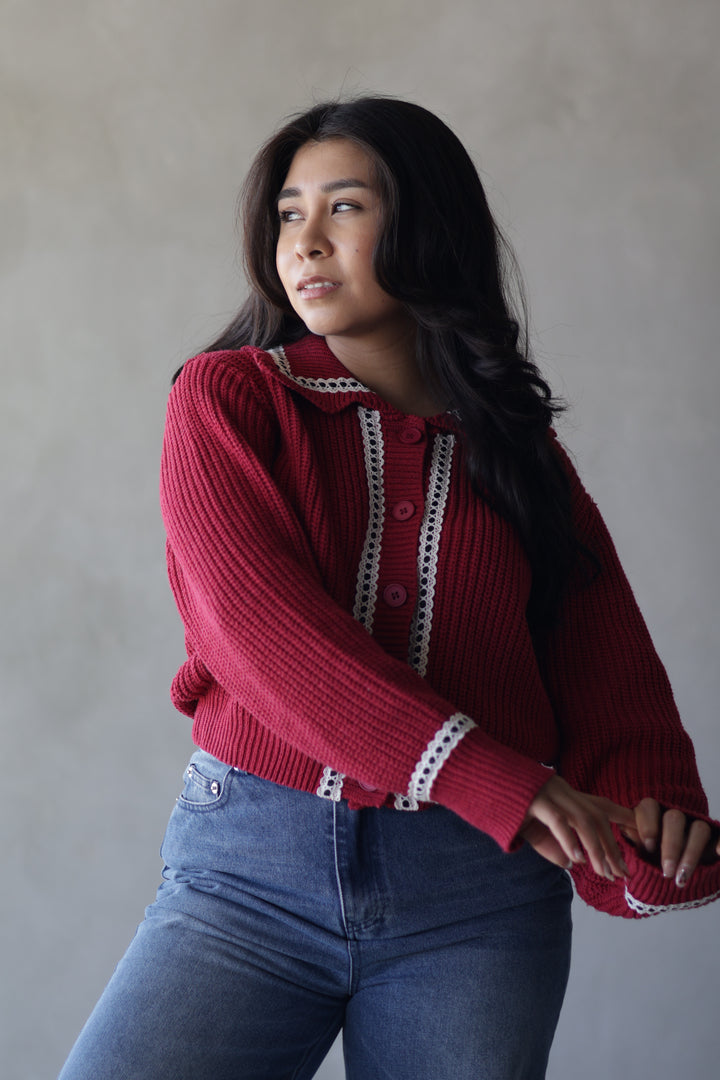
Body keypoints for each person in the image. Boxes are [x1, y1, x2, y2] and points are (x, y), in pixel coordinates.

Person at [59, 96, 720, 1080]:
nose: (307, 240)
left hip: (479, 905)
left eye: (346, 207)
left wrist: (655, 826)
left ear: (428, 226)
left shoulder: (520, 454)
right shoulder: (226, 400)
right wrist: (493, 777)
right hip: (248, 881)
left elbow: (603, 666)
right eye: (289, 213)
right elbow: (261, 636)